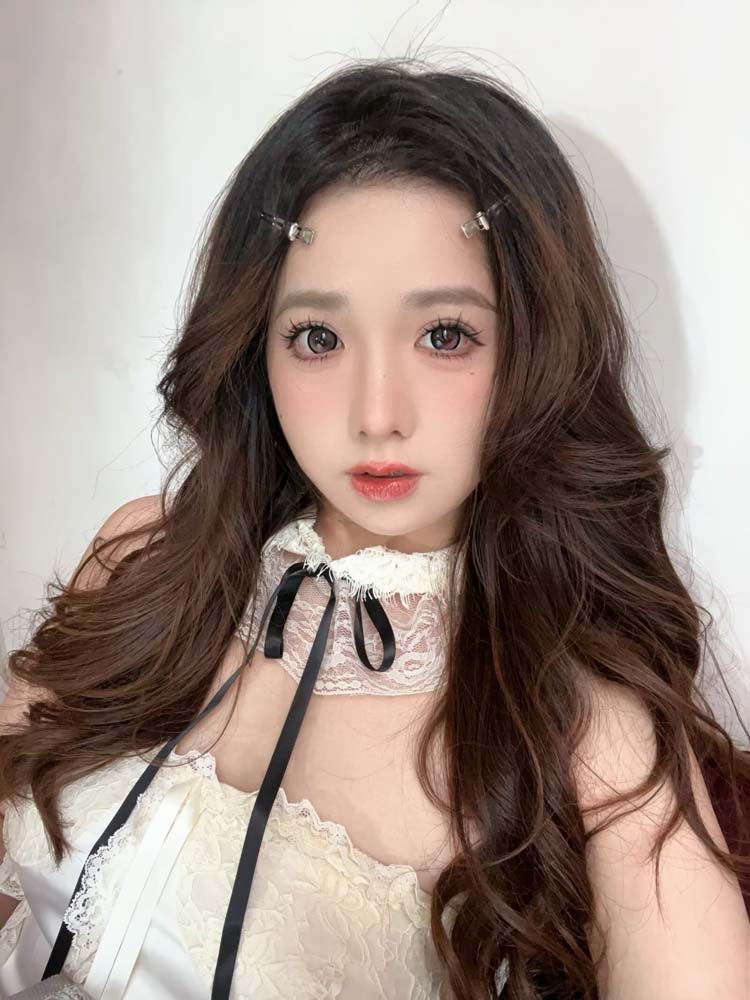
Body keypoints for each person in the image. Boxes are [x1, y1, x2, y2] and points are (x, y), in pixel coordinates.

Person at [1, 56, 749, 1000]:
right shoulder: (141, 558)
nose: (377, 415)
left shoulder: (581, 725)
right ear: (256, 345)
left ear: (536, 350)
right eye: (318, 338)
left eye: (445, 335)